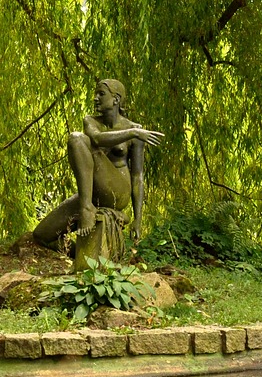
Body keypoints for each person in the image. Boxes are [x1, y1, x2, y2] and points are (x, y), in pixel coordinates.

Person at [32, 78, 164, 249]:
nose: (95, 98)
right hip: (93, 194)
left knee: (78, 139)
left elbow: (137, 176)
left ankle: (87, 209)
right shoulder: (92, 121)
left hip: (118, 192)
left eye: (101, 94)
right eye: (95, 94)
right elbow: (96, 138)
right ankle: (82, 252)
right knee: (41, 235)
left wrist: (138, 220)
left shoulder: (135, 130)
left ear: (116, 99)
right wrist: (132, 133)